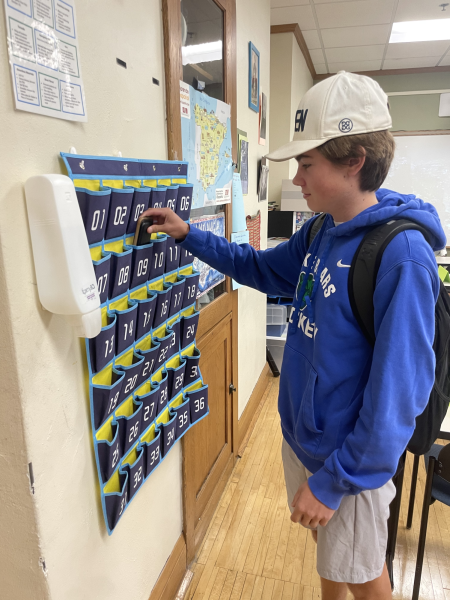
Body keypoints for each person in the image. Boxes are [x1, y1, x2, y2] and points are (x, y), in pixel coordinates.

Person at [141, 72, 446, 599]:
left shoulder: (402, 257)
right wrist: (189, 234)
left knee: (367, 578)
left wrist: (334, 481)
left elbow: (399, 396)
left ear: (354, 160)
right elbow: (259, 269)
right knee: (334, 562)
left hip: (348, 464)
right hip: (306, 442)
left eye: (308, 164)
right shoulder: (320, 229)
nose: (297, 178)